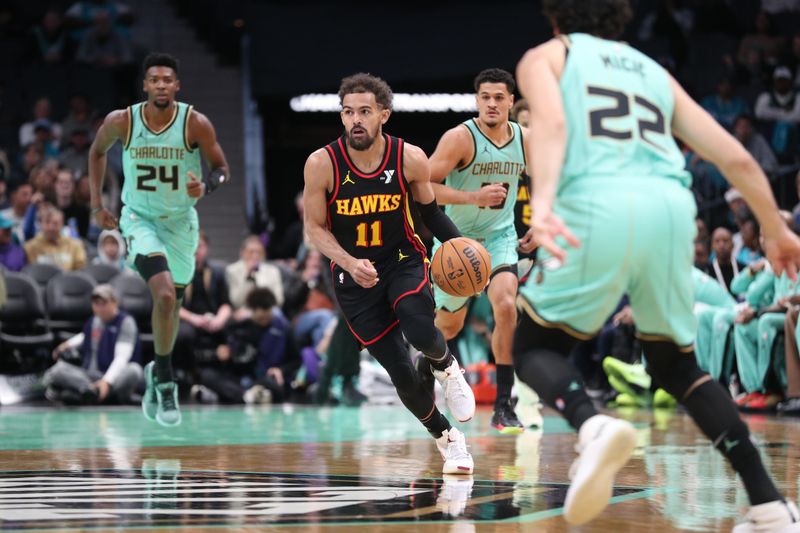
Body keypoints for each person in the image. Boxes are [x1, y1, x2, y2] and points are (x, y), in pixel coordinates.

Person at [515, 0, 800, 529]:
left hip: (596, 205)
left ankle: (591, 426)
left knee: (531, 346)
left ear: (555, 15)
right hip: (671, 212)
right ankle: (770, 506)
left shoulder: (547, 56)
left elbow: (551, 124)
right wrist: (776, 227)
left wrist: (545, 200)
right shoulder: (653, 72)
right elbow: (734, 156)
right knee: (675, 363)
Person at [303, 73, 475, 474]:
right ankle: (449, 441)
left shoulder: (409, 157)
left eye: (365, 111)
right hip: (353, 277)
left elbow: (430, 212)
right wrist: (348, 262)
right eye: (348, 112)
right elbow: (315, 228)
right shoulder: (321, 164)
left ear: (384, 114)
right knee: (400, 373)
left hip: (402, 259)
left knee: (418, 327)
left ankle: (447, 368)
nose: (355, 120)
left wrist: (464, 249)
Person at [88, 52, 231, 427]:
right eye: (155, 79)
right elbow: (96, 151)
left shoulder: (195, 123)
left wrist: (207, 185)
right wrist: (96, 205)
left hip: (181, 222)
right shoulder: (123, 121)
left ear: (177, 85)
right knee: (164, 294)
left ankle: (158, 369)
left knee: (171, 305)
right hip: (139, 218)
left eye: (168, 79)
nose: (162, 85)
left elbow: (222, 169)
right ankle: (166, 380)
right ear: (146, 85)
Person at [427, 68, 533, 434]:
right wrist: (472, 196)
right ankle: (427, 374)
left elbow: (551, 182)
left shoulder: (525, 139)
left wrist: (541, 222)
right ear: (477, 100)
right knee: (448, 325)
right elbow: (422, 187)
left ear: (510, 101)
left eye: (499, 97)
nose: (491, 103)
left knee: (505, 305)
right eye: (485, 97)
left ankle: (504, 403)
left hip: (500, 236)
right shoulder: (459, 138)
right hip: (456, 240)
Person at [43, 284, 142, 405]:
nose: (100, 308)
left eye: (104, 303)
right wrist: (67, 344)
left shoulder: (126, 322)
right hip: (89, 376)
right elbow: (84, 336)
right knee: (57, 370)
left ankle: (83, 394)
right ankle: (93, 392)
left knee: (134, 370)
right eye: (96, 303)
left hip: (113, 377)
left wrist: (106, 381)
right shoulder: (94, 321)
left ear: (115, 302)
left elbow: (121, 358)